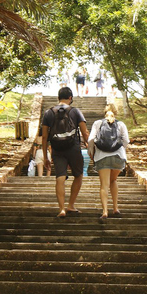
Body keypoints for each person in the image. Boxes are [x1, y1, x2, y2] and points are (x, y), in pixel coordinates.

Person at [42, 87, 90, 217]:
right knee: (78, 175)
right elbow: (85, 132)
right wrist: (90, 147)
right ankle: (71, 205)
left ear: (58, 98)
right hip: (73, 148)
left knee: (60, 177)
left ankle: (62, 209)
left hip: (57, 149)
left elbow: (45, 136)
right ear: (70, 98)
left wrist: (46, 155)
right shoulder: (75, 111)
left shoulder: (48, 113)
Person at [88, 103, 129, 220]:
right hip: (118, 156)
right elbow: (126, 140)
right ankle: (115, 208)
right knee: (113, 180)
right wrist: (121, 149)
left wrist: (91, 152)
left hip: (102, 157)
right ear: (115, 112)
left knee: (104, 184)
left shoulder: (98, 123)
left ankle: (105, 211)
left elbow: (91, 139)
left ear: (104, 112)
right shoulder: (121, 124)